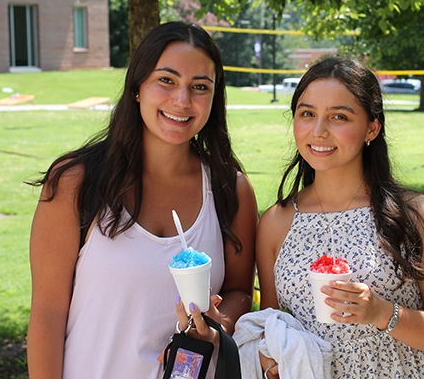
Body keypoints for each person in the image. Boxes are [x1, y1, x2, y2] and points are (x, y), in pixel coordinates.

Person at [26, 21, 258, 379]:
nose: (182, 100)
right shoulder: (76, 182)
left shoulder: (231, 189)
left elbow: (240, 290)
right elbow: (48, 311)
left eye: (200, 87)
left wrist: (216, 325)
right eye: (166, 80)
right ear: (137, 87)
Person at [255, 56, 424, 378]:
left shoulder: (418, 215)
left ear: (371, 128)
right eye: (307, 114)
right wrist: (269, 361)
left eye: (339, 117)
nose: (319, 131)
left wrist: (380, 312)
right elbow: (271, 326)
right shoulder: (275, 222)